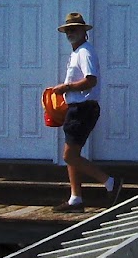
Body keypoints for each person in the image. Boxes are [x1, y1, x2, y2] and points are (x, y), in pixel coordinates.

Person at [49, 12, 120, 208]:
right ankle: (76, 198)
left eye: (74, 29)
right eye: (68, 30)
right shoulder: (76, 53)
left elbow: (91, 80)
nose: (70, 33)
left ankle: (110, 182)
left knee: (69, 156)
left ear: (83, 31)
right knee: (71, 154)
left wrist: (66, 88)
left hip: (84, 108)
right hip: (75, 108)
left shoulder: (85, 52)